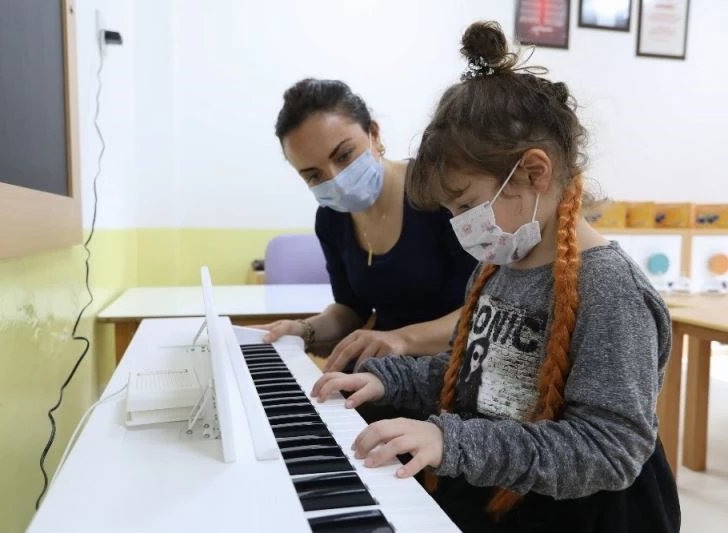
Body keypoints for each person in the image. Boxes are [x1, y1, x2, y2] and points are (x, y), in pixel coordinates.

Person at [311, 21, 680, 533]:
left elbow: (609, 448)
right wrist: (386, 380)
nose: (459, 225)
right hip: (502, 496)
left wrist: (449, 440)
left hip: (581, 517)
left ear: (534, 173)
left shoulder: (611, 291)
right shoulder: (498, 267)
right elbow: (471, 375)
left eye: (465, 204)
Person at [259, 78, 477, 374]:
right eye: (313, 175)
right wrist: (303, 329)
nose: (335, 179)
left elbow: (484, 311)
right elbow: (351, 310)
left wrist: (401, 339)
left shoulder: (440, 194)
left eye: (344, 155)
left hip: (452, 367)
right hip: (382, 370)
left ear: (374, 133)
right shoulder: (331, 218)